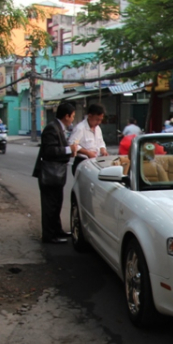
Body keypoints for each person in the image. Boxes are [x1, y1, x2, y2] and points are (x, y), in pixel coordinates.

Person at [32, 102, 78, 244]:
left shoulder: (59, 128)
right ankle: (49, 235)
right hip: (50, 174)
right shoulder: (52, 128)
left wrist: (69, 151)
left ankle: (57, 230)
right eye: (72, 116)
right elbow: (50, 151)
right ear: (66, 116)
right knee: (50, 206)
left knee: (57, 203)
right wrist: (69, 149)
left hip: (56, 175)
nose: (73, 119)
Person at [68, 103, 109, 175]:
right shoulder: (80, 128)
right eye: (97, 120)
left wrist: (103, 149)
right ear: (90, 116)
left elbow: (101, 142)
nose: (98, 122)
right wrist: (87, 152)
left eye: (100, 120)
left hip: (95, 161)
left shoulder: (98, 128)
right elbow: (73, 144)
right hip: (82, 162)